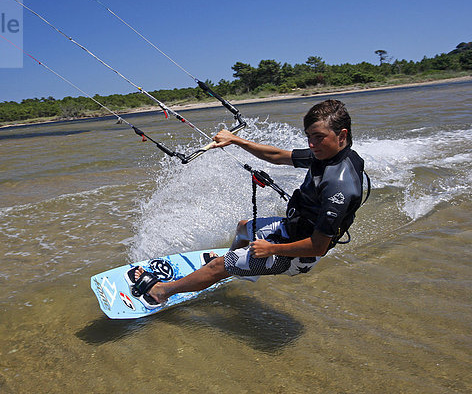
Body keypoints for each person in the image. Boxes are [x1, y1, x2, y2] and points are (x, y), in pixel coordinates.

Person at [127, 99, 366, 309]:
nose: (312, 144)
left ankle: (161, 292)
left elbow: (318, 247)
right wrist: (235, 140)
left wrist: (271, 250)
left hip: (298, 255)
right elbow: (276, 156)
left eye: (318, 138)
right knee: (243, 227)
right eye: (309, 137)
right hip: (291, 229)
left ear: (342, 135)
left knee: (218, 266)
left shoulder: (340, 185)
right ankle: (233, 266)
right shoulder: (325, 154)